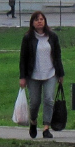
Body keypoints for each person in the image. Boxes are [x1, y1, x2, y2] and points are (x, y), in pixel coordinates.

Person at [19, 10, 64, 139]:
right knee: (34, 102)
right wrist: (22, 77)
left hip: (50, 73)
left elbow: (57, 56)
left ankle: (46, 127)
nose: (39, 21)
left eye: (42, 19)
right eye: (37, 19)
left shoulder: (52, 37)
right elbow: (23, 58)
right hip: (33, 75)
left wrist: (60, 74)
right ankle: (33, 121)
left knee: (49, 99)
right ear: (32, 23)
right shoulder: (28, 38)